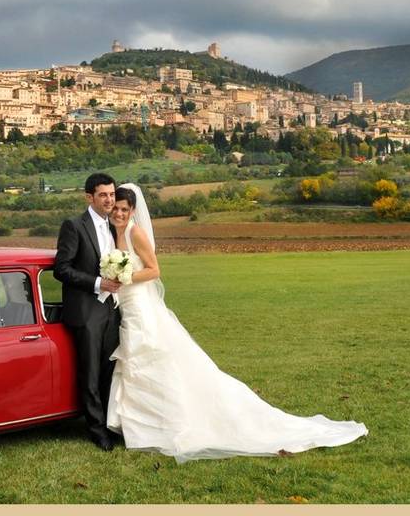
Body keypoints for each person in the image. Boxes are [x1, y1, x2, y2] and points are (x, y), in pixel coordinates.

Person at [105, 183, 368, 462]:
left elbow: (154, 270)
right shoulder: (115, 232)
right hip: (128, 306)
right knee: (136, 361)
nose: (119, 213)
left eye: (124, 209)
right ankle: (138, 423)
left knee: (147, 357)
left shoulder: (136, 233)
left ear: (133, 210)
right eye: (116, 208)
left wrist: (125, 278)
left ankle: (168, 424)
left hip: (142, 307)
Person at [54, 172, 123, 451]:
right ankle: (96, 430)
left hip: (111, 309)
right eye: (103, 195)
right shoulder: (74, 226)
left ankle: (110, 423)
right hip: (85, 311)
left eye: (112, 194)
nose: (109, 200)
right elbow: (62, 269)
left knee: (110, 371)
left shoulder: (113, 226)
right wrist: (98, 283)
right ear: (89, 197)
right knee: (91, 373)